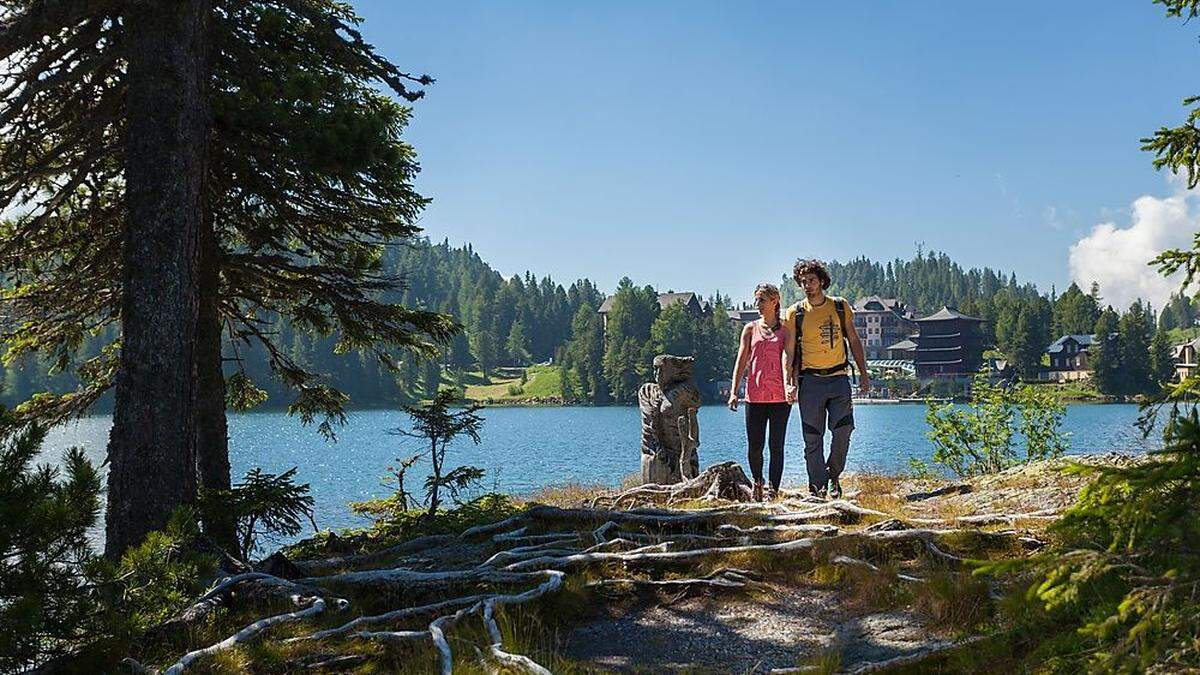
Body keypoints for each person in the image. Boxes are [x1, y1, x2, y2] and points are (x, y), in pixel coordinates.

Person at [782, 259, 868, 499]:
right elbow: (789, 351)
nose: (807, 285)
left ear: (821, 281)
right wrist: (789, 382)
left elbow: (854, 341)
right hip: (810, 382)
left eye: (811, 280)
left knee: (843, 431)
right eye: (803, 282)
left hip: (839, 379)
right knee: (812, 437)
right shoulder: (795, 313)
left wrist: (864, 373)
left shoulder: (840, 307)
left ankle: (833, 475)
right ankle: (818, 488)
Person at [728, 283, 795, 501]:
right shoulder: (750, 329)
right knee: (755, 446)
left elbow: (790, 359)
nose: (757, 304)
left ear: (774, 301)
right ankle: (757, 482)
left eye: (761, 300)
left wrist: (789, 385)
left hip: (780, 397)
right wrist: (733, 391)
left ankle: (773, 490)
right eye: (756, 300)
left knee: (776, 445)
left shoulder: (786, 331)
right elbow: (741, 360)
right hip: (755, 396)